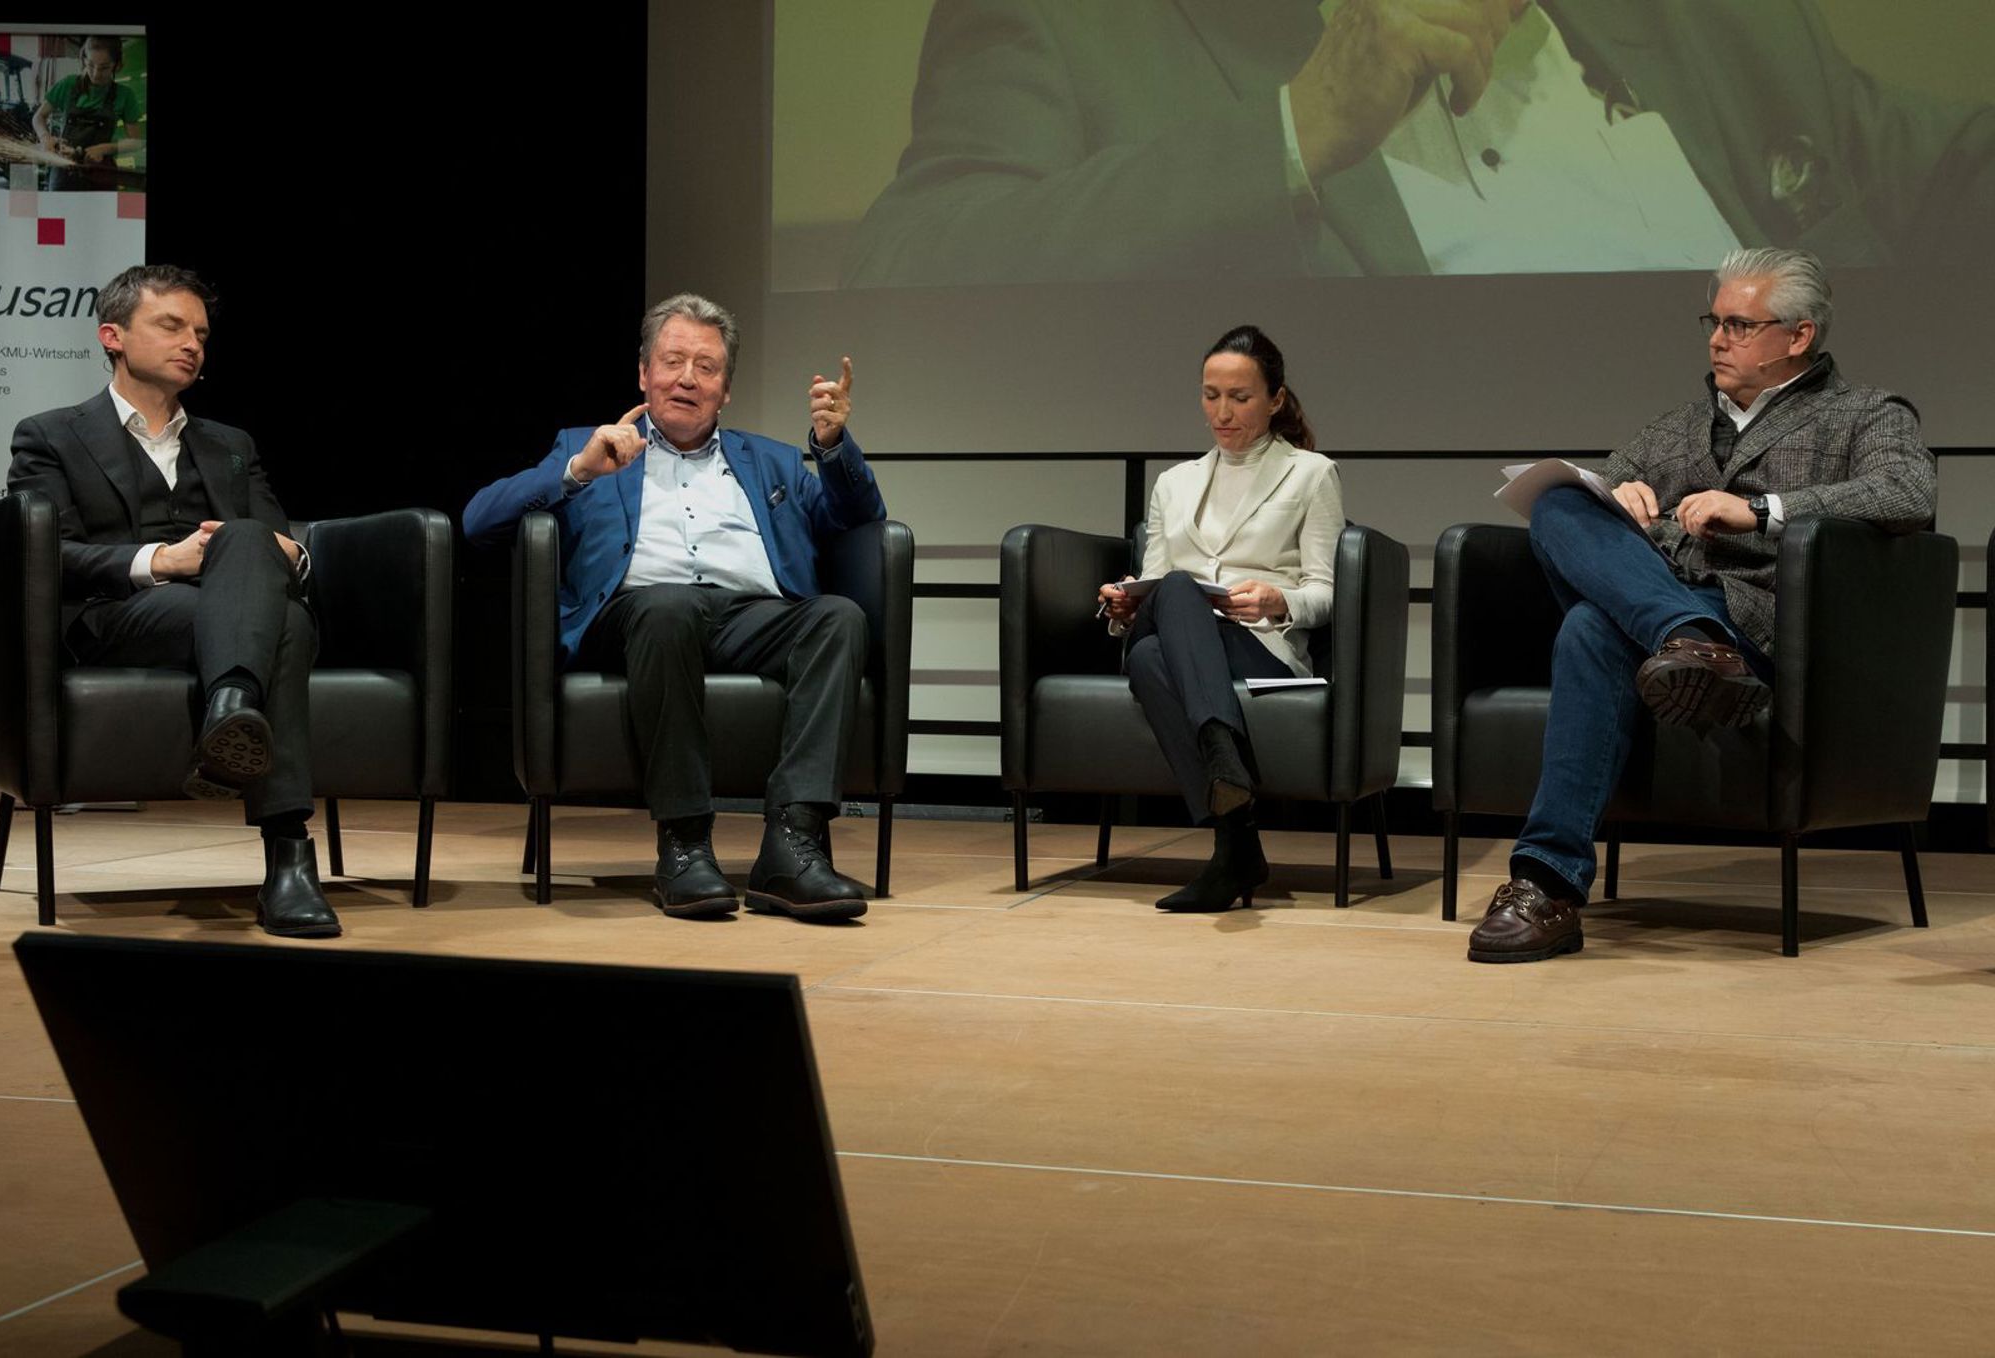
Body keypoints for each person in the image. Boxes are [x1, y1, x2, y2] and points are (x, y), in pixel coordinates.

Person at [1468, 247, 1938, 963]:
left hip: (1760, 629)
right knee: (1559, 502)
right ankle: (1684, 634)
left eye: (1739, 325)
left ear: (1800, 335)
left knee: (1591, 627)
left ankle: (1546, 884)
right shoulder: (1675, 429)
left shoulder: (1865, 414)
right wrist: (1619, 496)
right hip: (1673, 628)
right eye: (1713, 322)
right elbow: (1601, 504)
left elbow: (1907, 493)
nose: (1717, 339)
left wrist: (1764, 510)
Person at [842, 0, 1994, 285]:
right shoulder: (1075, 24)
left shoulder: (1708, 21)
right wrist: (1296, 130)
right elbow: (904, 266)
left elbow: (1947, 170)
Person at [463, 294, 887, 922]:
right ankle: (685, 845)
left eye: (706, 367)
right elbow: (479, 522)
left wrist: (832, 447)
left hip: (749, 615)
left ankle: (792, 846)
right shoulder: (589, 446)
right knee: (669, 608)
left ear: (726, 390)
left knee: (838, 617)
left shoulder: (772, 460)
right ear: (644, 374)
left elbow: (859, 520)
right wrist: (579, 471)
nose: (688, 378)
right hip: (637, 615)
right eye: (673, 362)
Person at [7, 265, 337, 939]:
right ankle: (288, 857)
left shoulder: (231, 445)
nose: (192, 343)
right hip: (115, 613)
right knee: (286, 625)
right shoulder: (50, 435)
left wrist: (283, 553)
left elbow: (280, 544)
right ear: (113, 337)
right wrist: (162, 560)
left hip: (226, 606)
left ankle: (232, 710)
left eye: (202, 334)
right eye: (172, 326)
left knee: (251, 552)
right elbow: (45, 553)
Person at [1098, 325, 1344, 911]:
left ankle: (1236, 844)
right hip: (1185, 628)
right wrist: (1126, 602)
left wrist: (1278, 600)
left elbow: (1329, 593)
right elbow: (1156, 582)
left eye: (1240, 397)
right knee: (1173, 591)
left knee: (1150, 656)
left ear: (1275, 400)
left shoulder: (1311, 474)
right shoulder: (1174, 483)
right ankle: (1223, 762)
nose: (1222, 412)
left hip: (1259, 646)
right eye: (1211, 396)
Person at [33, 34, 145, 192]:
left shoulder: (125, 95)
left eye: (104, 67)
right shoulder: (68, 84)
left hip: (103, 175)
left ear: (117, 64)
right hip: (64, 174)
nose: (96, 74)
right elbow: (38, 117)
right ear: (83, 59)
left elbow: (136, 142)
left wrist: (105, 148)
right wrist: (45, 138)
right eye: (91, 65)